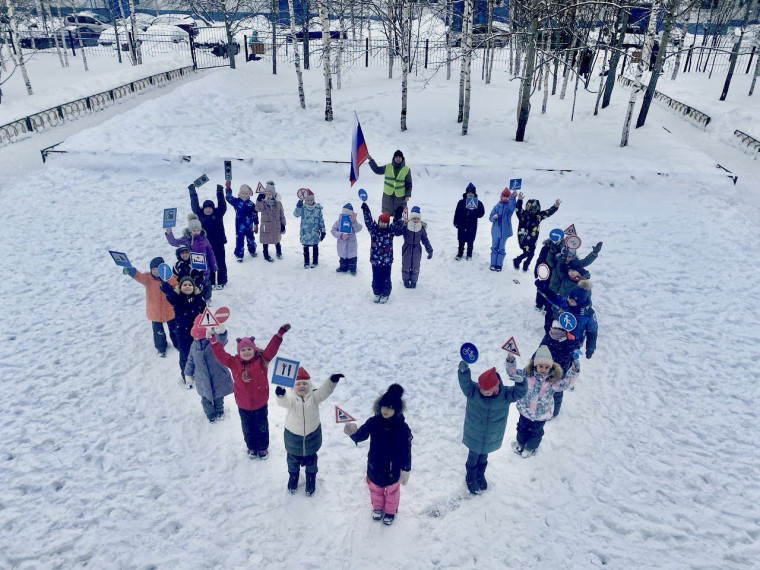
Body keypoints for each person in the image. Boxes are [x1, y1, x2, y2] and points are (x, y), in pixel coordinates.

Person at [210, 323, 291, 459]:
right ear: (238, 352)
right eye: (243, 350)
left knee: (262, 427)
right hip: (243, 404)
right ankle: (251, 447)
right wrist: (213, 340)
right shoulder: (233, 362)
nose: (246, 352)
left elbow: (272, 349)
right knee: (247, 428)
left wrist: (279, 334)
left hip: (260, 403)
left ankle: (263, 448)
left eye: (249, 349)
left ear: (254, 349)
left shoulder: (262, 360)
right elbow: (220, 354)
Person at [343, 384, 412, 526]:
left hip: (393, 469)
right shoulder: (374, 422)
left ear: (397, 410)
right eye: (384, 406)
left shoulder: (402, 428)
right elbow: (360, 435)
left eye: (390, 407)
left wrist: (406, 469)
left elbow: (406, 450)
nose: (386, 410)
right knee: (375, 489)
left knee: (392, 493)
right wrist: (352, 432)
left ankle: (390, 512)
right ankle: (378, 508)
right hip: (375, 465)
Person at [458, 360, 526, 495]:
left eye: (487, 391)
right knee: (473, 456)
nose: (484, 393)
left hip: (492, 434)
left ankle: (480, 474)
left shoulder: (505, 394)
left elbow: (519, 393)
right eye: (482, 390)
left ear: (496, 387)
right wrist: (463, 372)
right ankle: (471, 477)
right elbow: (465, 383)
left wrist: (521, 382)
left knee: (484, 455)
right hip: (474, 433)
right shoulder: (473, 392)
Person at [275, 370, 343, 496]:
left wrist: (332, 381)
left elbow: (324, 391)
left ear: (310, 385)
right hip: (293, 438)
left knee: (311, 461)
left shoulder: (314, 397)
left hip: (312, 436)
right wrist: (280, 394)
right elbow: (283, 402)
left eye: (304, 384)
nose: (301, 386)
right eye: (298, 384)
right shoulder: (291, 399)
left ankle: (311, 478)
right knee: (293, 461)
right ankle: (293, 476)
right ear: (293, 387)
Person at [506, 345, 579, 457]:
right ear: (535, 365)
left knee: (536, 432)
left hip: (541, 414)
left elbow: (567, 383)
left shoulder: (553, 381)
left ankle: (530, 448)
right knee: (521, 427)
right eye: (541, 366)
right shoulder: (526, 375)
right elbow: (513, 373)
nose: (544, 370)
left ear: (551, 367)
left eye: (546, 367)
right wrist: (510, 359)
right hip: (525, 410)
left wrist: (574, 370)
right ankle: (520, 444)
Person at [123, 256, 178, 357]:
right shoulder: (148, 279)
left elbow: (176, 285)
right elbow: (139, 276)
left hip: (170, 310)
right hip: (155, 312)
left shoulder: (170, 278)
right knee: (158, 332)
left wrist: (168, 281)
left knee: (174, 329)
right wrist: (132, 271)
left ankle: (178, 344)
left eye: (158, 269)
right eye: (153, 269)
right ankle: (161, 348)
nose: (156, 271)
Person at [160, 275, 207, 387]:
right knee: (185, 355)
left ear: (193, 287)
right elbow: (170, 296)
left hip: (198, 333)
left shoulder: (198, 299)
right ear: (180, 287)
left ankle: (199, 373)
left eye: (190, 285)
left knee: (199, 354)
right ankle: (186, 376)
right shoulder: (178, 298)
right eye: (184, 285)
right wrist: (165, 285)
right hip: (183, 334)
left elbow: (205, 314)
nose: (187, 287)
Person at [185, 320, 233, 422]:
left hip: (217, 377)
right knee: (206, 400)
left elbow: (222, 339)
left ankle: (220, 412)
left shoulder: (214, 343)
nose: (196, 338)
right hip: (202, 379)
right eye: (195, 336)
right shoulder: (194, 346)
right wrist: (188, 374)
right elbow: (190, 360)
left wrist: (222, 332)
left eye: (198, 336)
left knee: (218, 398)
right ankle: (210, 414)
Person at [165, 214, 217, 302]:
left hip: (204, 266)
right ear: (190, 230)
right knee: (193, 282)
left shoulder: (204, 240)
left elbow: (210, 253)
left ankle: (207, 298)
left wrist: (213, 265)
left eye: (198, 230)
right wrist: (169, 231)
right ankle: (194, 299)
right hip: (191, 266)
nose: (196, 232)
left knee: (205, 282)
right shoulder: (186, 239)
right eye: (194, 230)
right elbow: (174, 242)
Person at [361, 201, 405, 303]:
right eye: (382, 222)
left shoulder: (390, 231)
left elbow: (397, 227)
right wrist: (366, 210)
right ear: (379, 221)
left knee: (386, 279)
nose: (383, 224)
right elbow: (368, 221)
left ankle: (385, 294)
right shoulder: (374, 230)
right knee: (376, 278)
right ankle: (377, 293)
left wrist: (398, 217)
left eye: (385, 222)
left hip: (386, 262)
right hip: (375, 261)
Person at [189, 183, 227, 289]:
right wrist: (192, 192)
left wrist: (219, 191)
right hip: (206, 244)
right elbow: (195, 206)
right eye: (206, 208)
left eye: (210, 208)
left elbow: (222, 205)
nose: (208, 210)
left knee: (220, 261)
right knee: (209, 262)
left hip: (218, 242)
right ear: (203, 209)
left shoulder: (218, 214)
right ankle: (210, 281)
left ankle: (222, 280)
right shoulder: (200, 215)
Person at [512, 193, 560, 272]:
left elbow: (548, 212)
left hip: (533, 238)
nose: (534, 210)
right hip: (523, 237)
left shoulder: (538, 216)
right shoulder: (523, 215)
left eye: (536, 208)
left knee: (532, 253)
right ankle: (518, 260)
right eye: (532, 208)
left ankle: (525, 264)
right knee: (527, 252)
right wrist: (520, 200)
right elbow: (518, 208)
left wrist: (555, 207)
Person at [367, 150, 412, 215]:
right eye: (396, 157)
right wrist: (370, 159)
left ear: (402, 158)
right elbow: (377, 170)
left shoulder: (407, 169)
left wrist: (407, 195)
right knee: (386, 216)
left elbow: (409, 184)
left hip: (400, 198)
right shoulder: (388, 166)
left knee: (399, 216)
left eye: (400, 157)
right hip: (387, 197)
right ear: (394, 158)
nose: (398, 158)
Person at [225, 183, 259, 263]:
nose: (244, 195)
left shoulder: (251, 204)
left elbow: (255, 214)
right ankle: (239, 255)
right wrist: (228, 188)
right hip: (239, 227)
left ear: (248, 194)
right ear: (240, 193)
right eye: (242, 193)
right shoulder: (236, 202)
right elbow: (228, 197)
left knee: (251, 239)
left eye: (246, 193)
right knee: (239, 240)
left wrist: (256, 224)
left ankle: (252, 251)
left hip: (249, 226)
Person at [401, 206, 433, 288]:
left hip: (417, 249)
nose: (415, 220)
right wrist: (399, 224)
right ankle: (406, 280)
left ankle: (414, 281)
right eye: (414, 218)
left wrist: (430, 250)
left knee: (416, 266)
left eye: (417, 218)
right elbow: (397, 232)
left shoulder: (421, 229)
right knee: (406, 265)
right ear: (411, 218)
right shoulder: (406, 226)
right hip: (407, 249)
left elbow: (425, 240)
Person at [293, 188, 326, 269]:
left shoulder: (317, 209)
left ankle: (315, 261)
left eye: (311, 200)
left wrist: (323, 231)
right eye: (308, 200)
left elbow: (321, 220)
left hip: (314, 233)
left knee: (315, 248)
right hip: (305, 233)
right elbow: (296, 214)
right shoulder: (302, 208)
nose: (310, 201)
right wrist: (299, 205)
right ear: (305, 200)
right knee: (306, 248)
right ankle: (306, 262)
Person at [453, 182, 485, 260]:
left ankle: (469, 254)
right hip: (462, 225)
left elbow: (481, 213)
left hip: (472, 226)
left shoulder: (478, 203)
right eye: (469, 193)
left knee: (470, 240)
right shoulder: (461, 202)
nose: (470, 194)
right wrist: (455, 222)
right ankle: (460, 253)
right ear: (466, 193)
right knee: (461, 239)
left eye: (472, 193)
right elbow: (456, 212)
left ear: (474, 194)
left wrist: (474, 210)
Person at [255, 181, 286, 262]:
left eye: (270, 194)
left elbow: (282, 214)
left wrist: (283, 224)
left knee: (277, 240)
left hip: (276, 225)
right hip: (266, 226)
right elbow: (258, 209)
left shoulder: (278, 203)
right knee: (265, 241)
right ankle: (266, 255)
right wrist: (258, 200)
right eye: (267, 194)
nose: (268, 196)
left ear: (273, 194)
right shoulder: (263, 203)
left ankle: (279, 252)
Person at [489, 188, 517, 271]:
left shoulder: (509, 207)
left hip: (505, 232)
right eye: (504, 196)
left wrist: (513, 197)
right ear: (501, 197)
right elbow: (490, 218)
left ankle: (499, 265)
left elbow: (512, 207)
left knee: (501, 248)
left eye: (507, 197)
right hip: (495, 231)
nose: (505, 198)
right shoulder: (496, 207)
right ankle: (493, 264)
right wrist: (494, 218)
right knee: (494, 247)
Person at [331, 203, 363, 275]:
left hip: (352, 244)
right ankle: (343, 267)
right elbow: (333, 231)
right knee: (343, 258)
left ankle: (353, 269)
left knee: (352, 258)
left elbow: (358, 229)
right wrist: (341, 235)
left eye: (348, 214)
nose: (346, 216)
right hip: (342, 244)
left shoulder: (353, 221)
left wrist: (354, 221)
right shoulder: (338, 222)